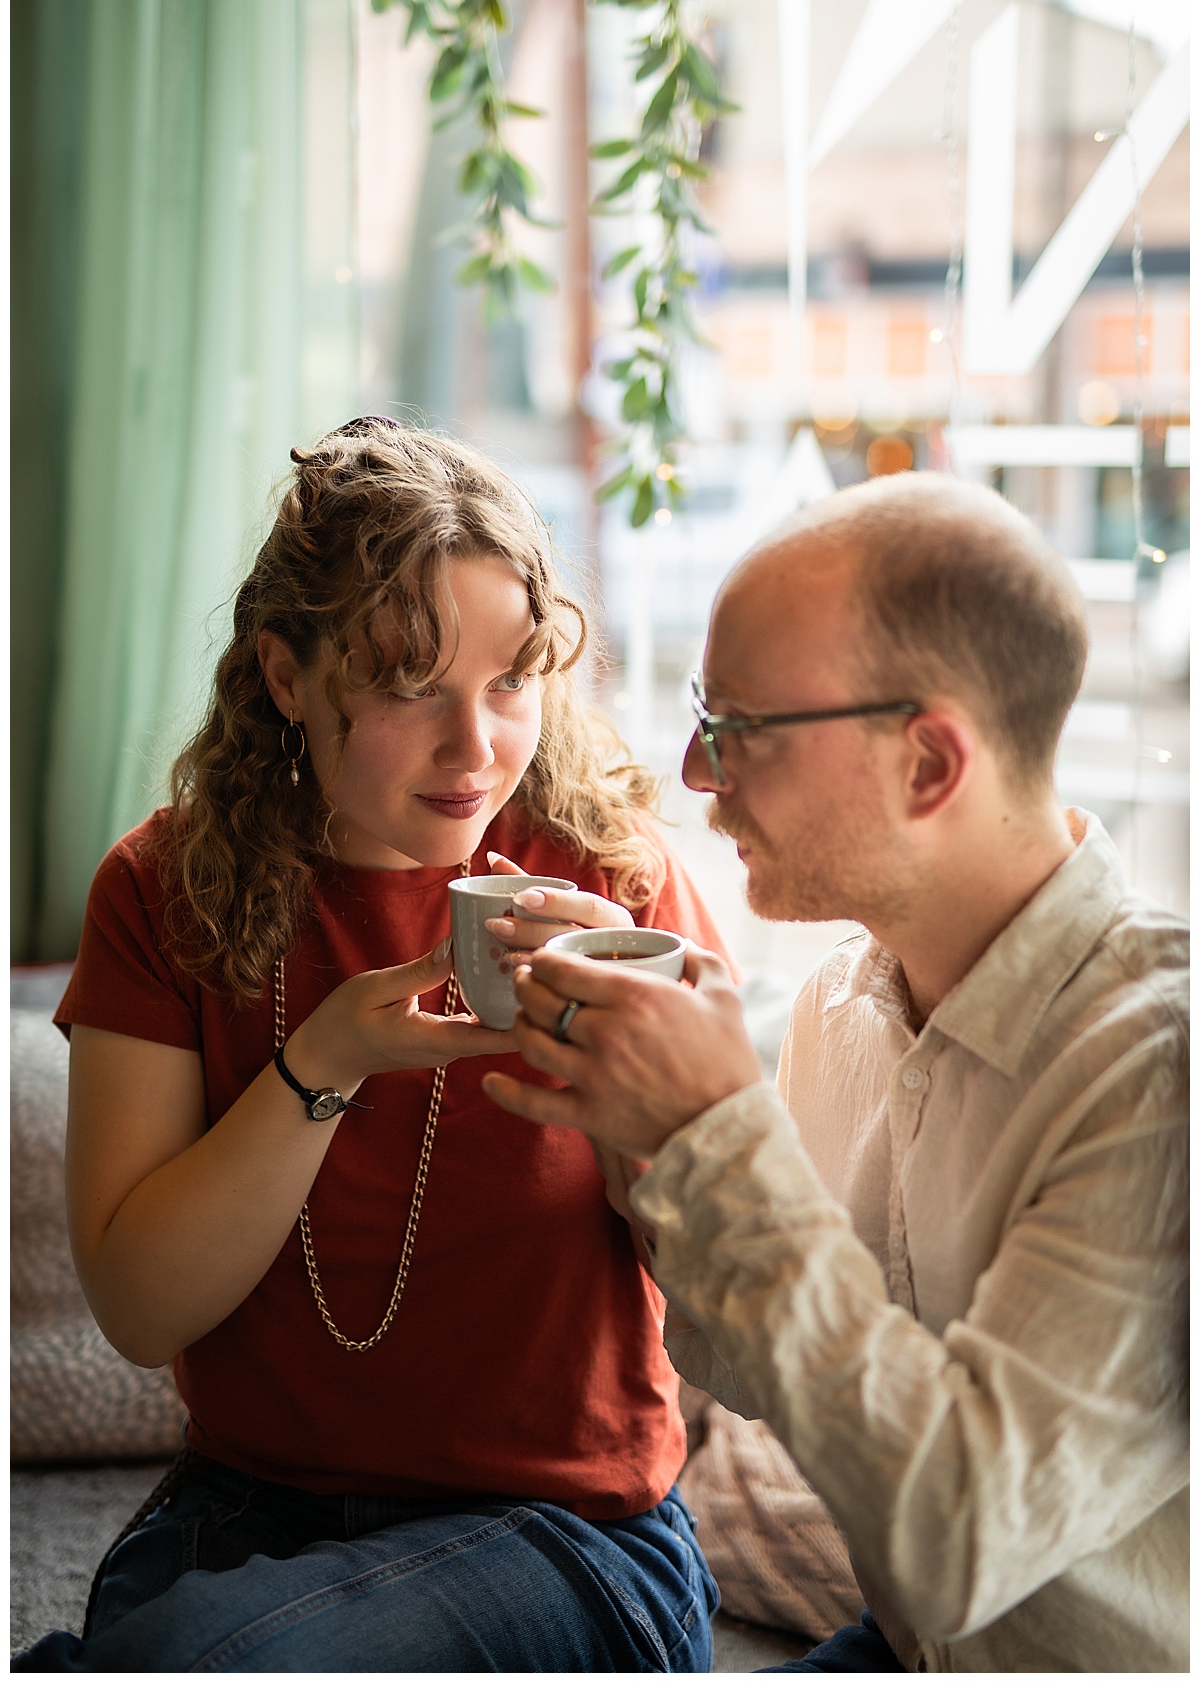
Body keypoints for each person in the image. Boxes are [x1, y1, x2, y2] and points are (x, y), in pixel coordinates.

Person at [16, 418, 726, 1673]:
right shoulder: (165, 887)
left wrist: (642, 1054)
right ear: (289, 676)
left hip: (567, 1526)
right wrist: (320, 1063)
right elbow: (140, 1306)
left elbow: (727, 1290)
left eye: (512, 679)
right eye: (408, 684)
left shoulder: (611, 882)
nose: (477, 749)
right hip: (250, 1503)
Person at [484, 474, 1189, 1674]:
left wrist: (717, 1129)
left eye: (742, 727)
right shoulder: (843, 1004)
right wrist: (637, 1120)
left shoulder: (1156, 1071)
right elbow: (750, 1360)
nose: (699, 776)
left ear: (928, 764)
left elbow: (958, 1539)